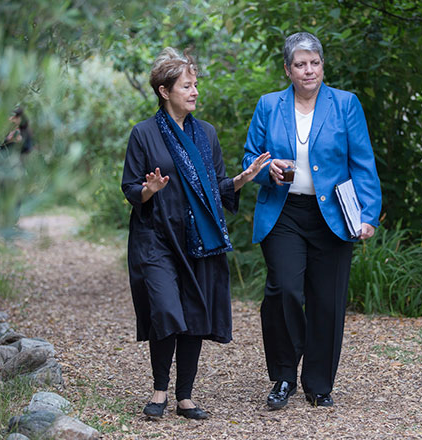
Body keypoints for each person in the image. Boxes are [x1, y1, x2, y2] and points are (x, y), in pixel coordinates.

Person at [121, 47, 270, 420]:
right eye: (186, 85)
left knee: (191, 314)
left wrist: (240, 180)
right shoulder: (143, 134)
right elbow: (130, 188)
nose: (195, 92)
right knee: (166, 309)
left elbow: (217, 185)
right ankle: (159, 390)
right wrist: (150, 190)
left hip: (198, 240)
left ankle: (185, 396)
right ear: (164, 90)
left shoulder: (207, 134)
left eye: (196, 84)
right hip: (156, 237)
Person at [242, 32, 382, 409]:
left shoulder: (346, 104)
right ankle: (284, 376)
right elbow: (249, 159)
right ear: (288, 69)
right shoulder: (269, 106)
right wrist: (265, 168)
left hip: (333, 215)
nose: (309, 70)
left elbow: (362, 162)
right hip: (284, 213)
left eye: (315, 63)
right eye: (300, 64)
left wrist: (367, 215)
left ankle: (318, 384)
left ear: (323, 66)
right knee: (283, 290)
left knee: (328, 302)